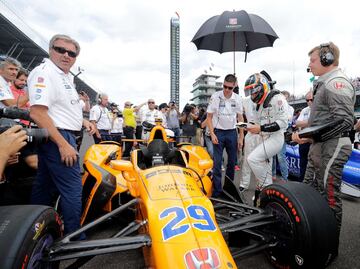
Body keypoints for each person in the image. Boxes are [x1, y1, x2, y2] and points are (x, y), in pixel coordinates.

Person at [28, 34, 95, 237]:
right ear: (50, 50)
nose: (66, 55)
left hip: (62, 134)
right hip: (58, 137)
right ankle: (74, 236)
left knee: (44, 187)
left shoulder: (64, 75)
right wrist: (63, 145)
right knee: (73, 189)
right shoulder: (44, 72)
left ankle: (34, 231)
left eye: (71, 53)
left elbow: (64, 108)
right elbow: (37, 112)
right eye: (60, 50)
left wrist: (83, 121)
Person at [292, 42, 355, 236]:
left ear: (327, 58)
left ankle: (329, 244)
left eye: (312, 60)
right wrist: (311, 137)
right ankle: (313, 234)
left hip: (333, 145)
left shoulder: (336, 82)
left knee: (329, 194)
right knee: (309, 190)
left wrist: (306, 134)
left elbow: (344, 122)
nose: (309, 65)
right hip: (320, 145)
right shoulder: (324, 82)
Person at [243, 73, 288, 205]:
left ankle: (267, 187)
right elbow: (258, 126)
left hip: (275, 138)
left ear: (261, 87)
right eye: (249, 92)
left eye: (253, 91)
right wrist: (250, 127)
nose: (252, 95)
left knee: (252, 159)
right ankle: (267, 197)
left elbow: (283, 123)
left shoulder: (278, 98)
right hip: (263, 138)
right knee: (264, 169)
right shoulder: (259, 105)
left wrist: (260, 128)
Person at [206, 74, 244, 198]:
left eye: (230, 88)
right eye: (225, 86)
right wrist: (212, 133)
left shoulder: (238, 98)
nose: (226, 90)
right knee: (217, 164)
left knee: (232, 163)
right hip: (219, 132)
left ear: (234, 86)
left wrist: (241, 136)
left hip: (232, 132)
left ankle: (228, 191)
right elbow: (209, 117)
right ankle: (217, 192)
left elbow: (240, 118)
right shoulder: (215, 96)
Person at [239, 96, 260, 191]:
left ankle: (261, 185)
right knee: (247, 159)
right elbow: (239, 115)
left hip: (262, 132)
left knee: (261, 161)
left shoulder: (267, 98)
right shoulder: (245, 100)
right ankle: (244, 184)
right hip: (250, 131)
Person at [294, 90, 313, 182]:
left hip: (314, 142)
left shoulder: (321, 109)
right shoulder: (305, 110)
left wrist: (304, 123)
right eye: (307, 100)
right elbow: (297, 123)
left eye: (311, 99)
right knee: (303, 164)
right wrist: (310, 123)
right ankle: (302, 184)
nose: (309, 102)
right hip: (303, 142)